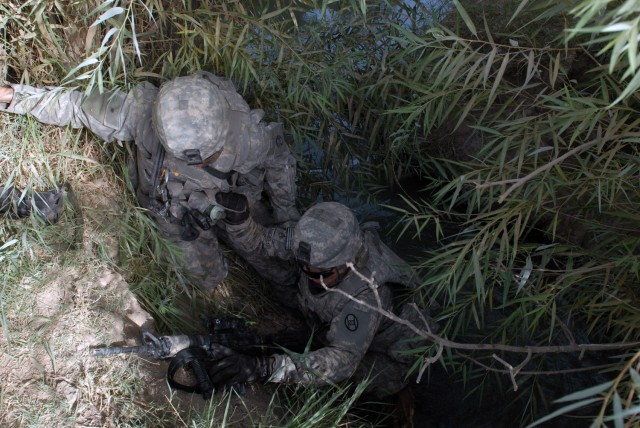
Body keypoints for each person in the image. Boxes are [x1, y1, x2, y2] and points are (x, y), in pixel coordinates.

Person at [0, 72, 299, 291]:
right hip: (175, 212)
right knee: (209, 277)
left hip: (233, 199)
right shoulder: (144, 113)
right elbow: (75, 106)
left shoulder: (248, 137)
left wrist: (286, 214)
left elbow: (280, 161)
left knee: (268, 249)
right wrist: (13, 96)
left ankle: (291, 288)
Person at [208, 193, 436, 398]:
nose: (311, 277)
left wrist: (265, 368)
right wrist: (240, 221)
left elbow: (343, 361)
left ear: (348, 264)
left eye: (321, 273)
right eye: (306, 268)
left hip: (389, 351)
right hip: (329, 315)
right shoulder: (315, 243)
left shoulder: (367, 296)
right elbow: (265, 240)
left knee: (355, 386)